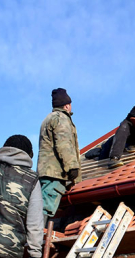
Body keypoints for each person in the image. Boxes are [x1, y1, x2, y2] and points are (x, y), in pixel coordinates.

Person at [37, 88, 82, 221]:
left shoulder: (48, 118)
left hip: (47, 171)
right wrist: (73, 167)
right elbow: (64, 144)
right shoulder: (61, 118)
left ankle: (36, 236)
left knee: (41, 205)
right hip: (54, 173)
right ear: (67, 105)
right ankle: (35, 238)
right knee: (45, 208)